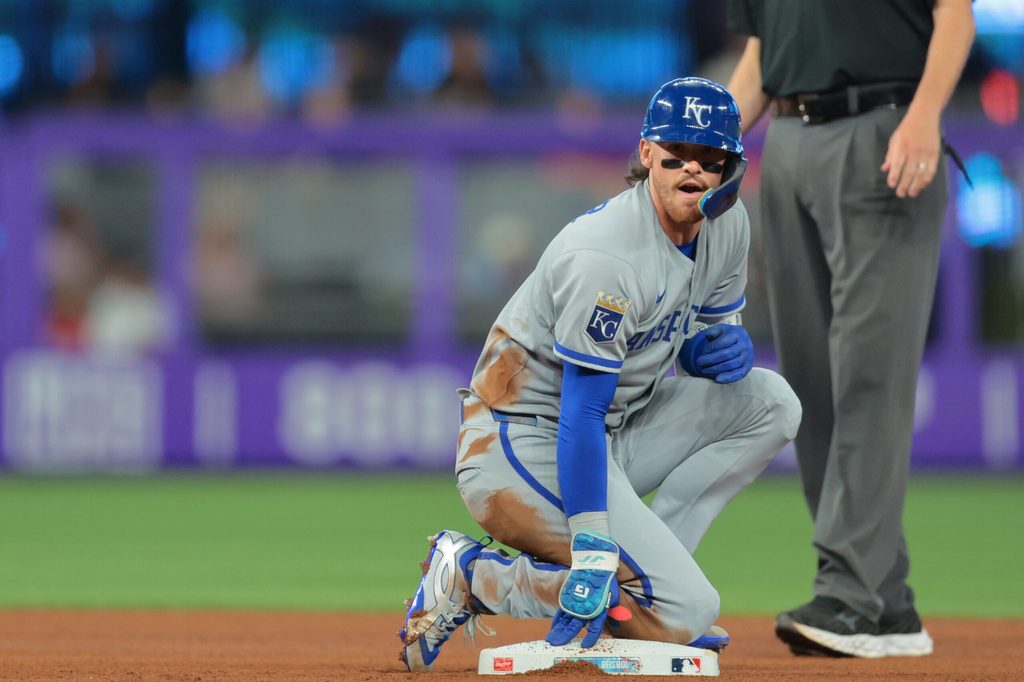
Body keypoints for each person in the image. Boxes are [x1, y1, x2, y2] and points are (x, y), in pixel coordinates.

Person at [398, 77, 802, 672]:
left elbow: (686, 335)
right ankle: (474, 576)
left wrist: (708, 351)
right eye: (674, 155)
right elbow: (579, 411)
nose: (691, 170)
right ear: (646, 155)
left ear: (732, 168)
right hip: (519, 442)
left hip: (609, 434)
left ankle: (651, 584)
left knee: (772, 400)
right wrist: (591, 549)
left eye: (709, 158)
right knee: (689, 609)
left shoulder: (728, 227)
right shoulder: (607, 256)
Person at [725, 0, 975, 659]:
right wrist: (712, 142)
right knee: (813, 383)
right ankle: (884, 601)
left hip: (884, 130)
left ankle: (851, 597)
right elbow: (760, 51)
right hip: (786, 139)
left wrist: (924, 115)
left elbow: (957, 13)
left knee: (869, 375)